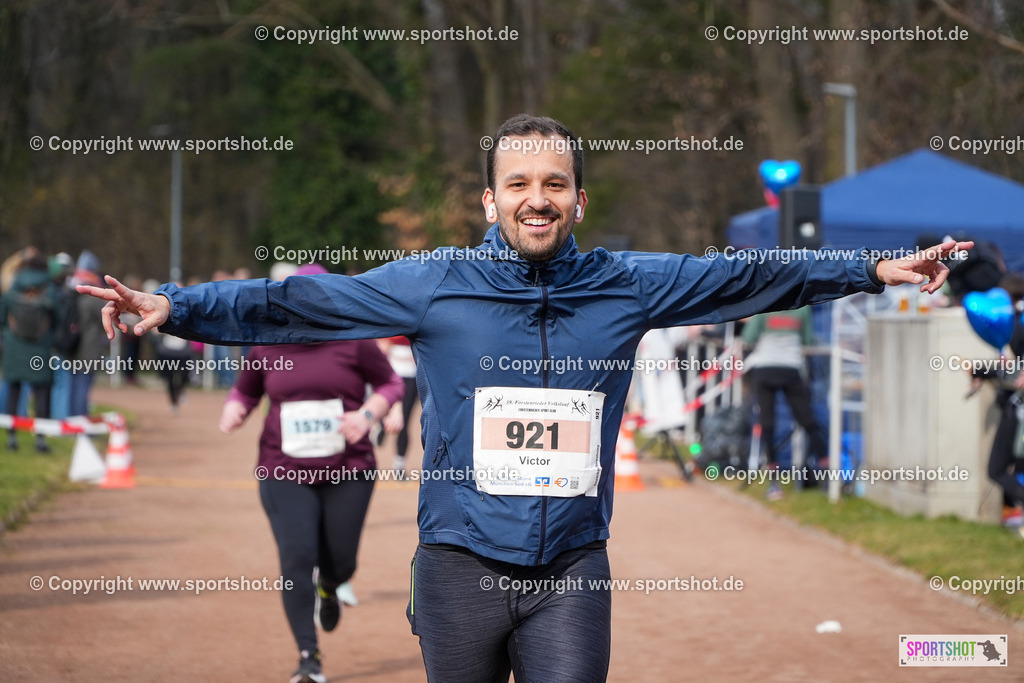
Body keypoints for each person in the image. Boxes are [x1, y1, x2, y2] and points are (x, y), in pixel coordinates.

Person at [80, 114, 970, 682]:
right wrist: (177, 306)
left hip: (573, 565)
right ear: (491, 196)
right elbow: (298, 302)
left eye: (553, 185)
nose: (536, 199)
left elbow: (745, 276)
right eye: (519, 184)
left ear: (579, 199)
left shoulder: (630, 282)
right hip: (461, 559)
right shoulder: (435, 282)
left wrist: (867, 267)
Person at [219, 262, 403, 683]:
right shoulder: (267, 345)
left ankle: (331, 585)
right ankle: (309, 658)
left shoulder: (352, 341)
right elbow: (246, 390)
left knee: (342, 560)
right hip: (283, 469)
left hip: (349, 467)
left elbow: (391, 384)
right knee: (296, 558)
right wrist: (236, 408)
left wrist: (369, 413)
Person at [742, 306, 828, 499]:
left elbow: (748, 338)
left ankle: (774, 484)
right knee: (808, 421)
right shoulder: (803, 308)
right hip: (792, 370)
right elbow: (807, 340)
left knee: (767, 424)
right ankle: (829, 473)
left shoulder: (765, 303)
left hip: (764, 370)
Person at [969, 273, 1024, 534]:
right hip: (1015, 407)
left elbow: (1016, 372)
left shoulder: (1018, 329)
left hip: (1018, 409)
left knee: (996, 468)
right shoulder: (1013, 330)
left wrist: (979, 370)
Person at [1, 253, 57, 452]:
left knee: (13, 394)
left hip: (14, 350)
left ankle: (11, 438)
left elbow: (2, 319)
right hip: (40, 351)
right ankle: (40, 440)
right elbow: (57, 320)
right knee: (42, 395)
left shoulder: (11, 289)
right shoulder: (49, 290)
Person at [67, 251, 109, 416]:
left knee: (73, 388)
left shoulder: (70, 289)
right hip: (88, 349)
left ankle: (71, 424)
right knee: (82, 389)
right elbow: (103, 319)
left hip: (71, 346)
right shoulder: (92, 294)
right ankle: (81, 427)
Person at [377, 335, 418, 477]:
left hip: (411, 376)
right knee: (386, 409)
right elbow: (380, 343)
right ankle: (381, 425)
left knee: (405, 420)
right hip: (392, 376)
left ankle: (399, 465)